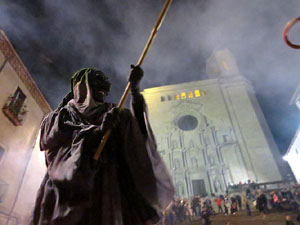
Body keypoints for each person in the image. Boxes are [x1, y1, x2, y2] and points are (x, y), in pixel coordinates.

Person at [30, 66, 175, 225]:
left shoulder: (114, 112)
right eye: (96, 82)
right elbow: (50, 141)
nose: (103, 88)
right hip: (70, 188)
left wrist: (134, 91)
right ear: (82, 86)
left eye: (104, 85)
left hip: (106, 184)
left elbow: (138, 133)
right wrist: (97, 132)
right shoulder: (61, 116)